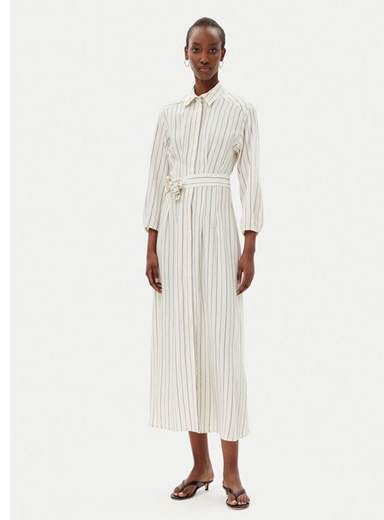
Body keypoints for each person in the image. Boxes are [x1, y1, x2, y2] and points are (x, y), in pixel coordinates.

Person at [142, 17, 263, 509]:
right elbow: (156, 178)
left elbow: (250, 180)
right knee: (186, 346)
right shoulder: (169, 114)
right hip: (175, 237)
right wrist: (151, 243)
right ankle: (200, 465)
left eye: (212, 50)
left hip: (217, 234)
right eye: (196, 49)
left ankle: (231, 471)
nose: (204, 58)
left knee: (222, 347)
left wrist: (249, 244)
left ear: (224, 54)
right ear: (185, 52)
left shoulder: (241, 111)